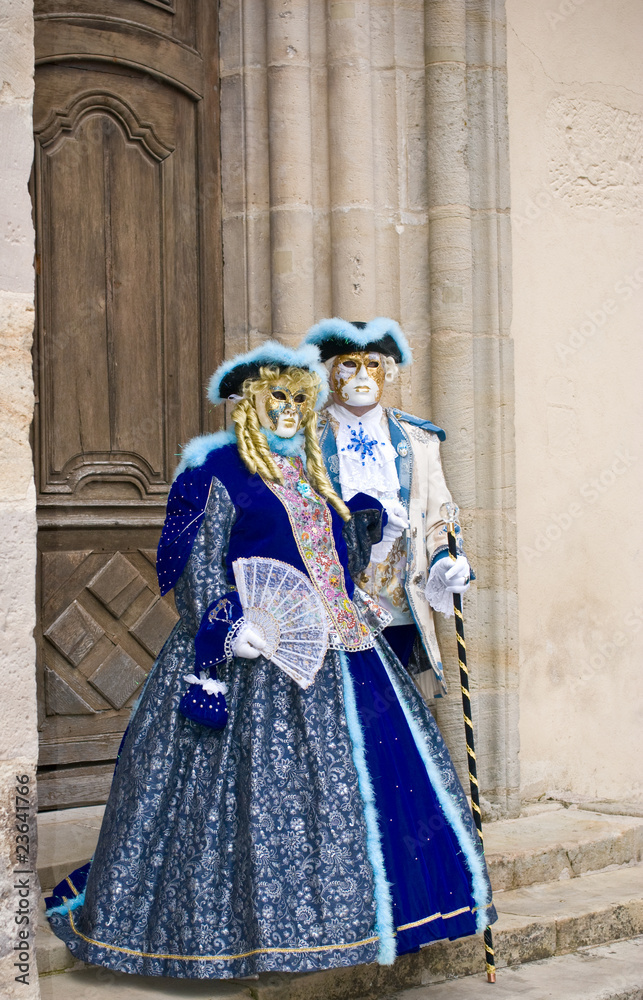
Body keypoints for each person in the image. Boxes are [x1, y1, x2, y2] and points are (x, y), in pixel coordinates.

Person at [46, 341, 495, 979]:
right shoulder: (215, 472)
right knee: (245, 804)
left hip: (339, 648)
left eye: (299, 400)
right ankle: (249, 936)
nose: (289, 411)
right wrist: (230, 625)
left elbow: (334, 562)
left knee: (362, 789)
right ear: (249, 405)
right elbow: (197, 569)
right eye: (276, 398)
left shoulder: (313, 472)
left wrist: (393, 547)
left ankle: (362, 929)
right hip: (252, 660)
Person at [302, 318, 472, 701]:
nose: (362, 374)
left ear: (388, 371)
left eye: (373, 364)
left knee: (397, 713)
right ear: (329, 372)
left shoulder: (418, 439)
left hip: (401, 606)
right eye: (349, 363)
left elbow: (439, 513)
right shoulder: (305, 440)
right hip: (334, 607)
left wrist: (447, 559)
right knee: (340, 713)